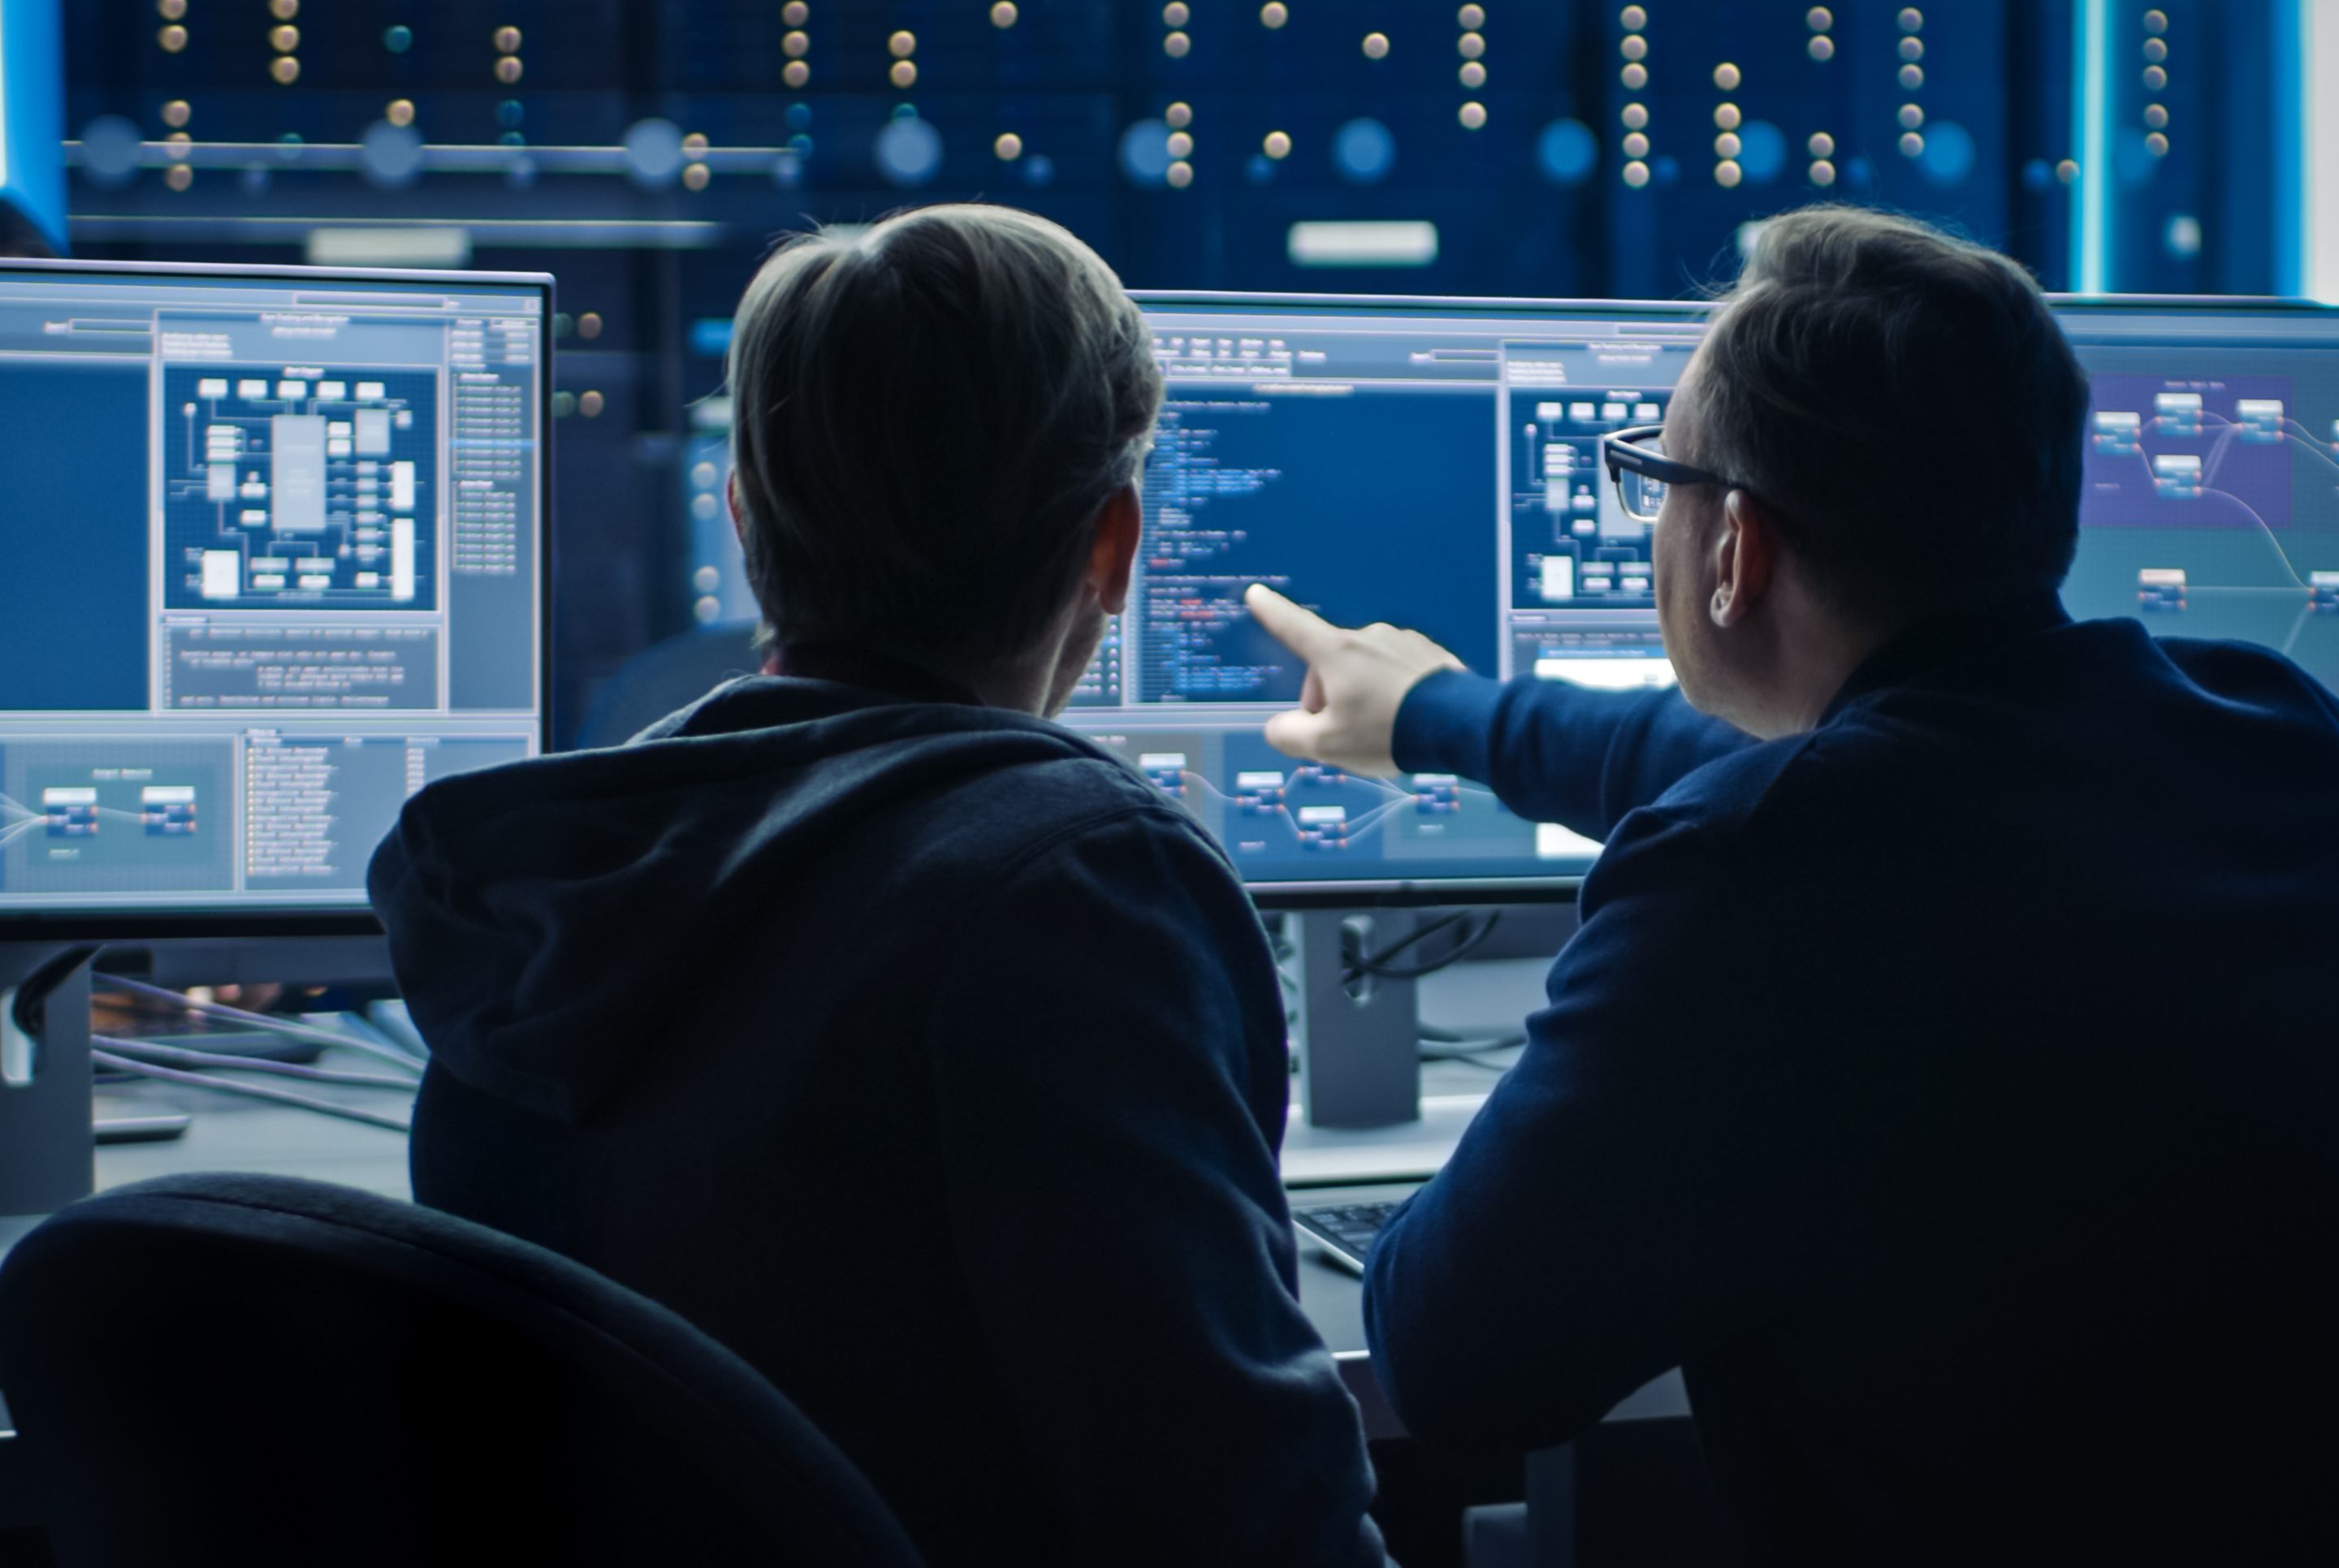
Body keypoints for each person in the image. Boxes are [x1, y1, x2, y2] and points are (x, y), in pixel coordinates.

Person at [1247, 205, 2339, 1564]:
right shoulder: (2272, 726)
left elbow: (1452, 1360)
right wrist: (1443, 716)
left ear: (1735, 551)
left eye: (1658, 476)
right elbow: (1847, 770)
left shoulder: (1750, 879)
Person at [370, 205, 1386, 1567]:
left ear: (741, 522)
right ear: (1114, 545)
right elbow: (1254, 1523)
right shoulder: (1075, 880)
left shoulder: (542, 880)